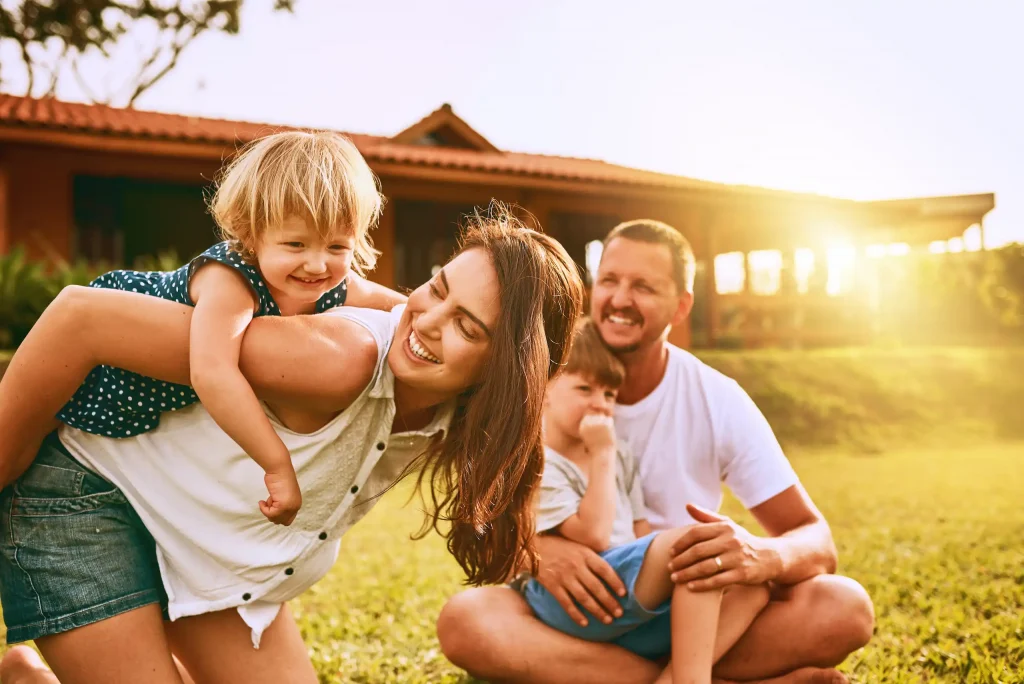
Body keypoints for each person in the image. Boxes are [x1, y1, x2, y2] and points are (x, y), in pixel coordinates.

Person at [0, 206, 584, 684]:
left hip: (213, 556)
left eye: (467, 326)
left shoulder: (465, 411)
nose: (427, 320)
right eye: (436, 287)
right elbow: (83, 318)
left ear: (507, 374)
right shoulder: (337, 358)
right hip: (86, 495)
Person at [437, 219, 875, 684]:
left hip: (696, 615)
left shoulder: (716, 398)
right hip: (573, 615)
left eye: (643, 286)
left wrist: (759, 556)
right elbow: (478, 523)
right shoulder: (543, 378)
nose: (620, 299)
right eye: (609, 280)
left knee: (843, 607)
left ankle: (658, 674)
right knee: (465, 621)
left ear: (682, 305)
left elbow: (814, 538)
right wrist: (537, 550)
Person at [55, 130, 383, 526]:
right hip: (101, 372)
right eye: (295, 245)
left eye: (336, 247)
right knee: (25, 447)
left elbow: (410, 308)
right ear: (251, 232)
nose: (316, 264)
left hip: (149, 426)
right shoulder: (230, 277)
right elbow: (212, 372)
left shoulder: (335, 284)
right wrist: (277, 465)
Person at [521, 318, 769, 684]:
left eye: (608, 395)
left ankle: (673, 678)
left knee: (748, 585)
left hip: (624, 591)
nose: (599, 405)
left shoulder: (619, 455)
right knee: (694, 545)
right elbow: (592, 537)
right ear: (544, 391)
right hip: (570, 598)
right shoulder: (540, 462)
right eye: (585, 388)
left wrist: (608, 454)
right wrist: (601, 455)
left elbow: (639, 531)